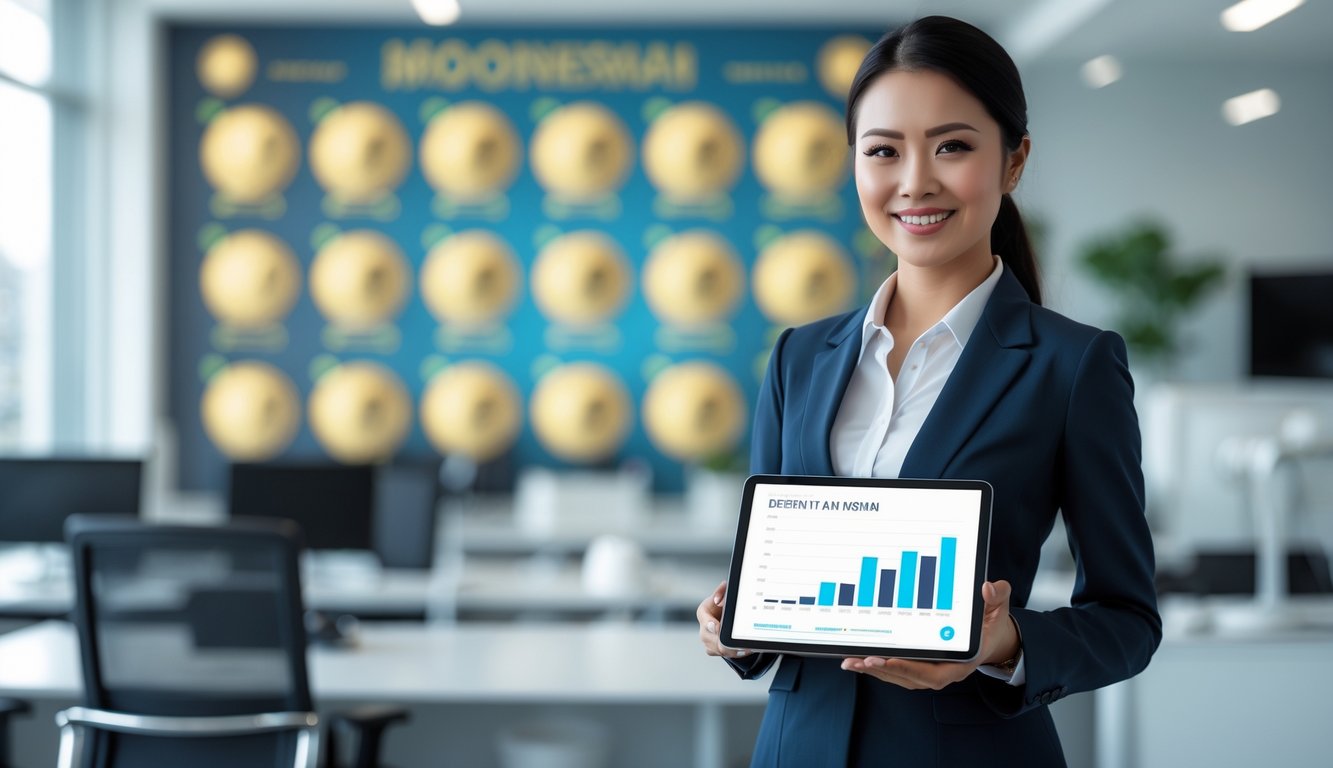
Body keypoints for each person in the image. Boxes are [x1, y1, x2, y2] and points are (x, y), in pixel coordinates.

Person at [697, 15, 1161, 767]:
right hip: (797, 750)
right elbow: (770, 582)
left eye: (952, 146)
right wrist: (731, 624)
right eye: (883, 151)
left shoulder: (1072, 366)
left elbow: (1127, 621)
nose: (914, 181)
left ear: (1013, 163)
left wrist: (1003, 642)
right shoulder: (797, 357)